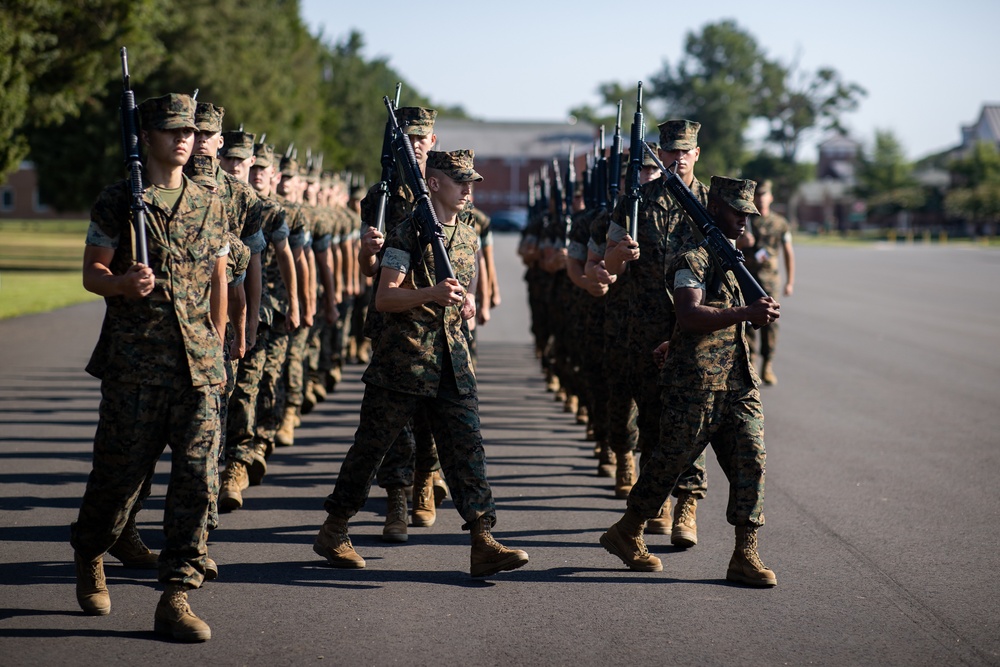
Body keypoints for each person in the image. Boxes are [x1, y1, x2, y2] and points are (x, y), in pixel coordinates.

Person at [312, 149, 529, 577]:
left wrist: (464, 302)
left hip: (452, 359)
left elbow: (458, 289)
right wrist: (429, 293)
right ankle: (334, 529)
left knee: (468, 452)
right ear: (433, 183)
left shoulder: (466, 233)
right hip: (404, 361)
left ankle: (483, 539)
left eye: (471, 182)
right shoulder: (407, 232)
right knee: (371, 450)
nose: (468, 189)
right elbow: (386, 297)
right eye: (459, 181)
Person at [70, 93, 228, 640]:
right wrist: (121, 284)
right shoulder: (118, 200)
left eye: (189, 129)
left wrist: (221, 345)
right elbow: (92, 273)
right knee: (117, 480)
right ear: (146, 137)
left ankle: (177, 594)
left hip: (198, 366)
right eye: (171, 130)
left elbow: (217, 276)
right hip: (136, 364)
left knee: (197, 481)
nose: (184, 138)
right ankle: (91, 550)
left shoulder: (210, 200)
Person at [600, 176, 780, 587]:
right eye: (736, 212)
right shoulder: (692, 260)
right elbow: (689, 314)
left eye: (748, 214)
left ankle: (745, 553)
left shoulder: (733, 259)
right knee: (669, 464)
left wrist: (678, 339)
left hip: (736, 381)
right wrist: (744, 313)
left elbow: (703, 324)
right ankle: (627, 531)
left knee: (752, 459)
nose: (744, 221)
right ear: (714, 209)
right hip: (694, 384)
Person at [602, 122, 709, 545]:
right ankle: (659, 499)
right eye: (670, 152)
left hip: (694, 325)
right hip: (645, 326)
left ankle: (688, 503)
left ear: (697, 154)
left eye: (685, 151)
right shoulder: (634, 201)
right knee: (651, 417)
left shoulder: (710, 204)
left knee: (694, 417)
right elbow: (609, 265)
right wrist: (617, 255)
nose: (677, 158)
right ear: (659, 154)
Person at [743, 179, 795, 385]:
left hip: (770, 281)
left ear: (771, 197)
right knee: (748, 323)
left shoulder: (780, 223)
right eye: (757, 195)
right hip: (748, 278)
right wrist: (741, 242)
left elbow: (788, 252)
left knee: (771, 324)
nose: (761, 198)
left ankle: (768, 365)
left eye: (764, 194)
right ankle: (751, 365)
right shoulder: (746, 220)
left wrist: (790, 281)